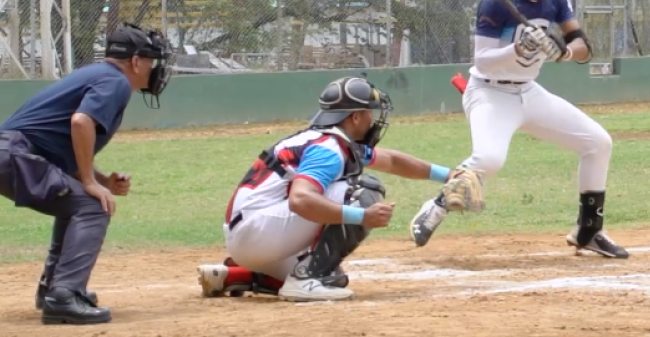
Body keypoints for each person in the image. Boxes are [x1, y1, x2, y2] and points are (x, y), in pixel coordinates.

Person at [409, 0, 630, 259]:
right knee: (489, 160)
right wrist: (518, 48)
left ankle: (589, 230)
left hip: (529, 91)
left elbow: (583, 46)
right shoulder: (495, 2)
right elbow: (482, 60)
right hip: (489, 92)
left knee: (598, 142)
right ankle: (437, 206)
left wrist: (563, 52)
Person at [196, 76, 475, 302]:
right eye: (368, 112)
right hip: (258, 232)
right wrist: (361, 217)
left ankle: (234, 274)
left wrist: (449, 174)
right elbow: (300, 200)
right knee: (363, 191)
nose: (372, 119)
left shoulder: (329, 140)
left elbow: (392, 160)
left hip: (251, 234)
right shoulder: (329, 149)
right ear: (354, 117)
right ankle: (306, 280)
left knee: (335, 278)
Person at [0, 23, 174, 325]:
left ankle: (54, 289)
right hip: (15, 157)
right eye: (150, 61)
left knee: (80, 199)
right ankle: (64, 295)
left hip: (7, 156)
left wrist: (99, 179)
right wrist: (88, 182)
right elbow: (81, 122)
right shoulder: (116, 82)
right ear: (135, 61)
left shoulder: (100, 75)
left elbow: (65, 145)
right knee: (94, 205)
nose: (153, 69)